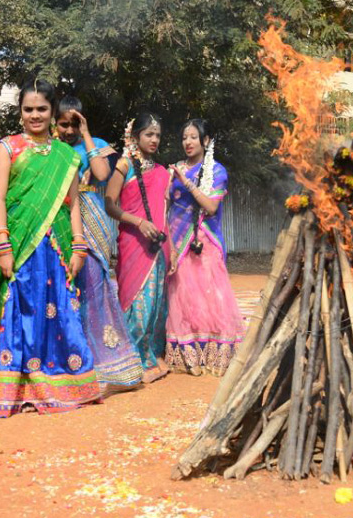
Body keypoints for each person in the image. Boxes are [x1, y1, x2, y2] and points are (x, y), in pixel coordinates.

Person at [0, 79, 102, 416]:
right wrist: (2, 243)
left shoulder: (66, 156)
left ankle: (66, 384)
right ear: (20, 112)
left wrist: (79, 245)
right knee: (23, 310)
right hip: (22, 245)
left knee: (60, 310)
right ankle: (23, 389)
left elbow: (73, 205)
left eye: (41, 109)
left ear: (53, 112)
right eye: (28, 109)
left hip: (58, 246)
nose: (34, 115)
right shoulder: (8, 148)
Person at [54, 96, 144, 394]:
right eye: (64, 123)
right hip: (63, 219)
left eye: (74, 123)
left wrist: (87, 134)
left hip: (93, 219)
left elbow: (103, 175)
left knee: (94, 285)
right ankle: (73, 362)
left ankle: (107, 365)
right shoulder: (50, 149)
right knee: (66, 288)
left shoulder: (95, 143)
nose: (69, 130)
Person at [164, 119, 244, 376]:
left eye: (193, 137)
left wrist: (186, 183)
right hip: (178, 242)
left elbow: (210, 207)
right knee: (183, 298)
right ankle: (189, 356)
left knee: (210, 298)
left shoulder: (217, 171)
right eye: (184, 137)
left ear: (205, 141)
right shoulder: (175, 169)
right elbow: (165, 205)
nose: (187, 142)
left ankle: (215, 353)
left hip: (205, 242)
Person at [105, 112, 172, 383]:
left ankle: (150, 354)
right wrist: (138, 222)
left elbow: (166, 213)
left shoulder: (161, 172)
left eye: (157, 135)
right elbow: (110, 204)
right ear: (135, 138)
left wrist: (173, 249)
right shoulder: (124, 165)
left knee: (155, 302)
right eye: (148, 134)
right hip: (133, 242)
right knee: (137, 299)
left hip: (157, 244)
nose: (154, 139)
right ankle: (130, 358)